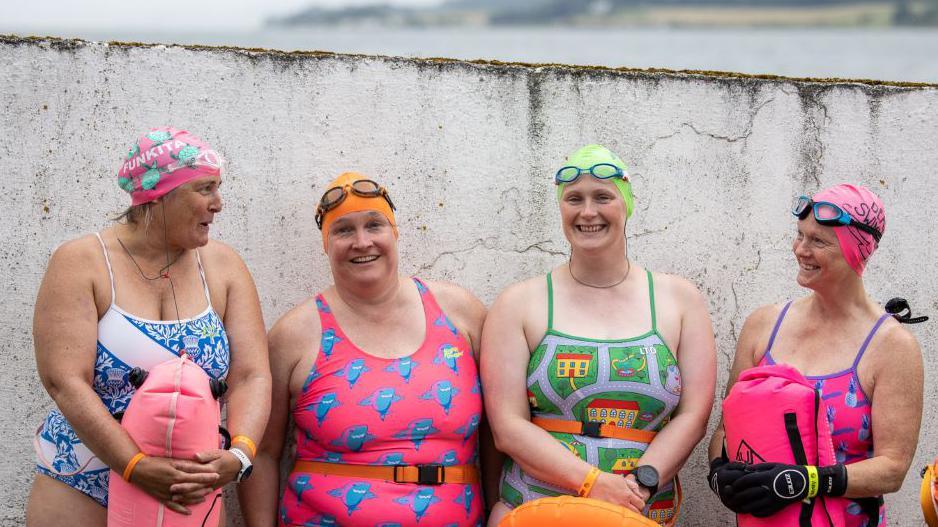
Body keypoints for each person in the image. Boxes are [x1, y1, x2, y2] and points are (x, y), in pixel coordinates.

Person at [28, 127, 271, 526]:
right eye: (205, 189)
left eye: (218, 188)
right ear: (159, 196)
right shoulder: (82, 262)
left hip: (189, 493)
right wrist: (133, 465)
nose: (219, 204)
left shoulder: (224, 268)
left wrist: (240, 454)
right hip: (84, 484)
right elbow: (64, 381)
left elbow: (251, 375)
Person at [241, 172, 495, 526]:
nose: (362, 242)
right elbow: (263, 454)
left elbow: (495, 436)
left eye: (374, 225)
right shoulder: (295, 335)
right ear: (326, 244)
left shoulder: (460, 313)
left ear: (395, 232)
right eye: (343, 230)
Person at [482, 145, 717, 526]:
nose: (587, 212)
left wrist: (640, 485)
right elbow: (507, 426)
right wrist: (592, 483)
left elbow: (694, 415)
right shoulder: (519, 303)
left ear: (627, 204)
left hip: (639, 514)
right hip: (534, 513)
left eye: (603, 197)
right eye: (574, 198)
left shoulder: (679, 300)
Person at [707, 184, 923, 526]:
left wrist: (809, 482)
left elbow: (892, 468)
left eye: (818, 241)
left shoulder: (892, 346)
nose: (800, 249)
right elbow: (725, 430)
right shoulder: (763, 325)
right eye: (799, 235)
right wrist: (720, 473)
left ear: (857, 251)